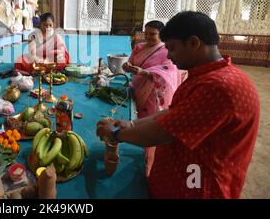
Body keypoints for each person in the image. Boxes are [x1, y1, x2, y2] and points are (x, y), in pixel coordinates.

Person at [96, 11, 260, 198]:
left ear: (194, 43)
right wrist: (132, 124)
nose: (170, 56)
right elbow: (173, 114)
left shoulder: (218, 87)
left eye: (172, 48)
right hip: (184, 177)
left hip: (197, 186)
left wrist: (116, 133)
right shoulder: (207, 77)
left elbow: (163, 132)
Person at [122, 20, 181, 176]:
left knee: (150, 126)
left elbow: (168, 73)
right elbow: (131, 63)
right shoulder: (139, 47)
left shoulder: (165, 51)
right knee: (137, 120)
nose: (148, 37)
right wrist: (127, 66)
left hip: (153, 94)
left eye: (152, 34)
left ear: (161, 35)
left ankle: (149, 163)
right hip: (138, 88)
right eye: (146, 33)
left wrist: (144, 73)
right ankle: (138, 150)